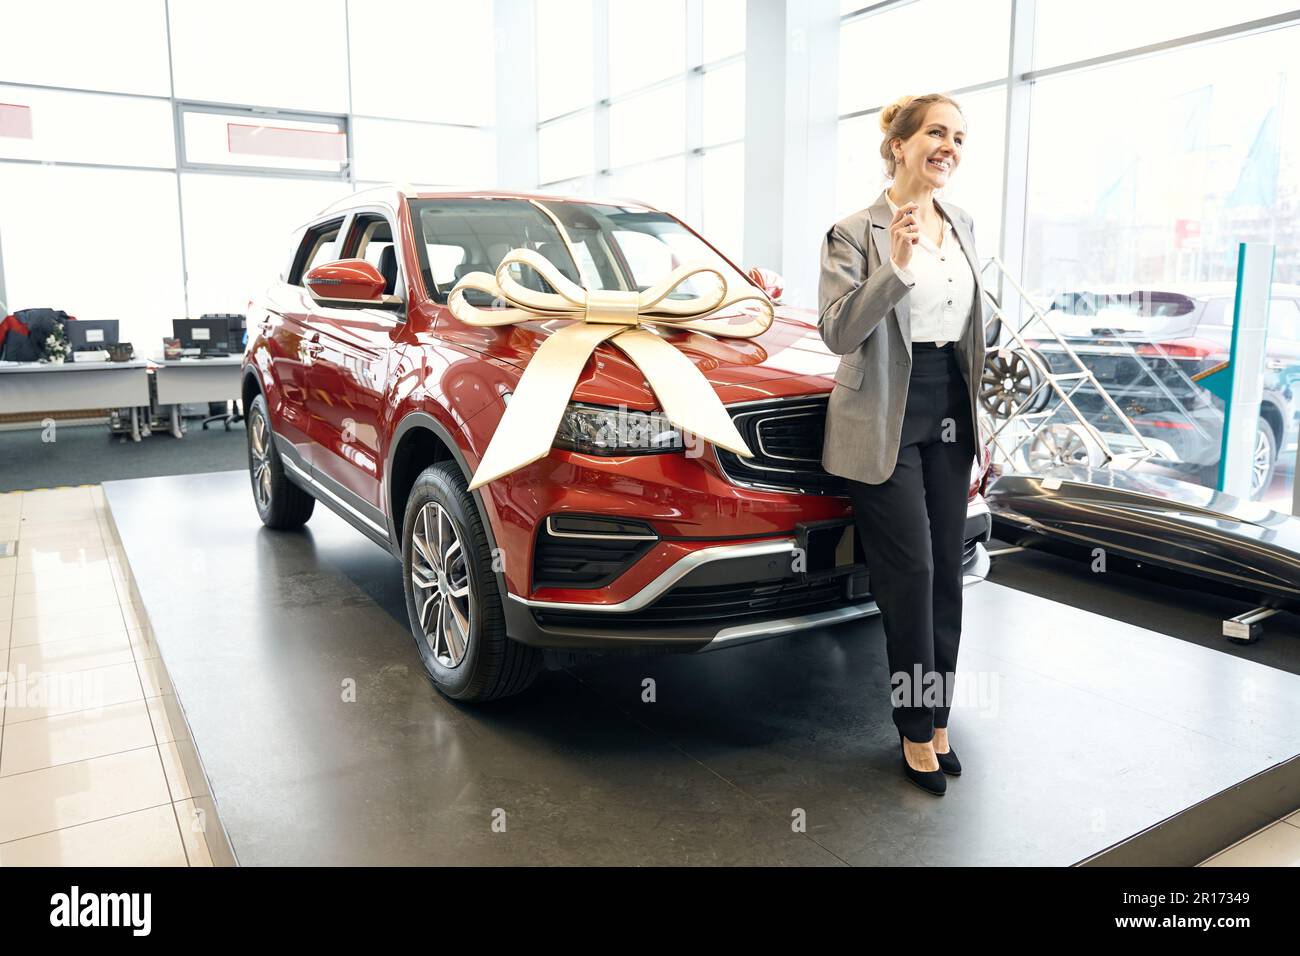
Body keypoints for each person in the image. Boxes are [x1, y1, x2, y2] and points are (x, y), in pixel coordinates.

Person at [817, 93, 987, 796]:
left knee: (946, 570)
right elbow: (836, 332)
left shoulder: (964, 222)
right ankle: (915, 731)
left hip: (949, 405)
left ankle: (939, 716)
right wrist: (898, 266)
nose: (949, 146)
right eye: (937, 134)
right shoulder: (853, 232)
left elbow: (970, 324)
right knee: (910, 574)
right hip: (883, 415)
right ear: (899, 145)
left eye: (959, 137)